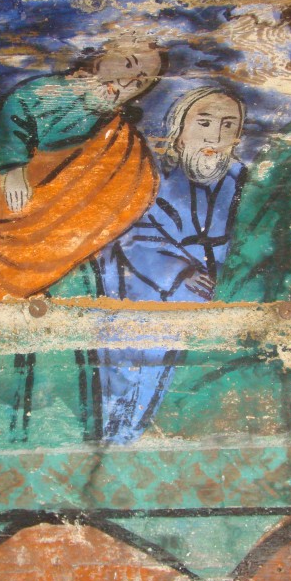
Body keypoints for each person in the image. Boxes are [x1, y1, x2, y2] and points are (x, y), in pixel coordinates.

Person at [96, 87, 247, 442]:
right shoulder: (153, 179)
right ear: (179, 134)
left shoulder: (240, 182)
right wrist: (179, 271)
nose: (215, 136)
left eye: (228, 125)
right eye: (204, 123)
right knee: (139, 366)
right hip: (151, 290)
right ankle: (122, 432)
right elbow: (130, 236)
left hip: (219, 295)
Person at [0, 40, 166, 300]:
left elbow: (138, 182)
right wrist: (13, 167)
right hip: (19, 219)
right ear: (100, 58)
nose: (127, 82)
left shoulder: (123, 137)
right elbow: (15, 113)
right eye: (127, 64)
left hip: (73, 243)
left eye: (140, 81)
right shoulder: (47, 92)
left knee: (76, 294)